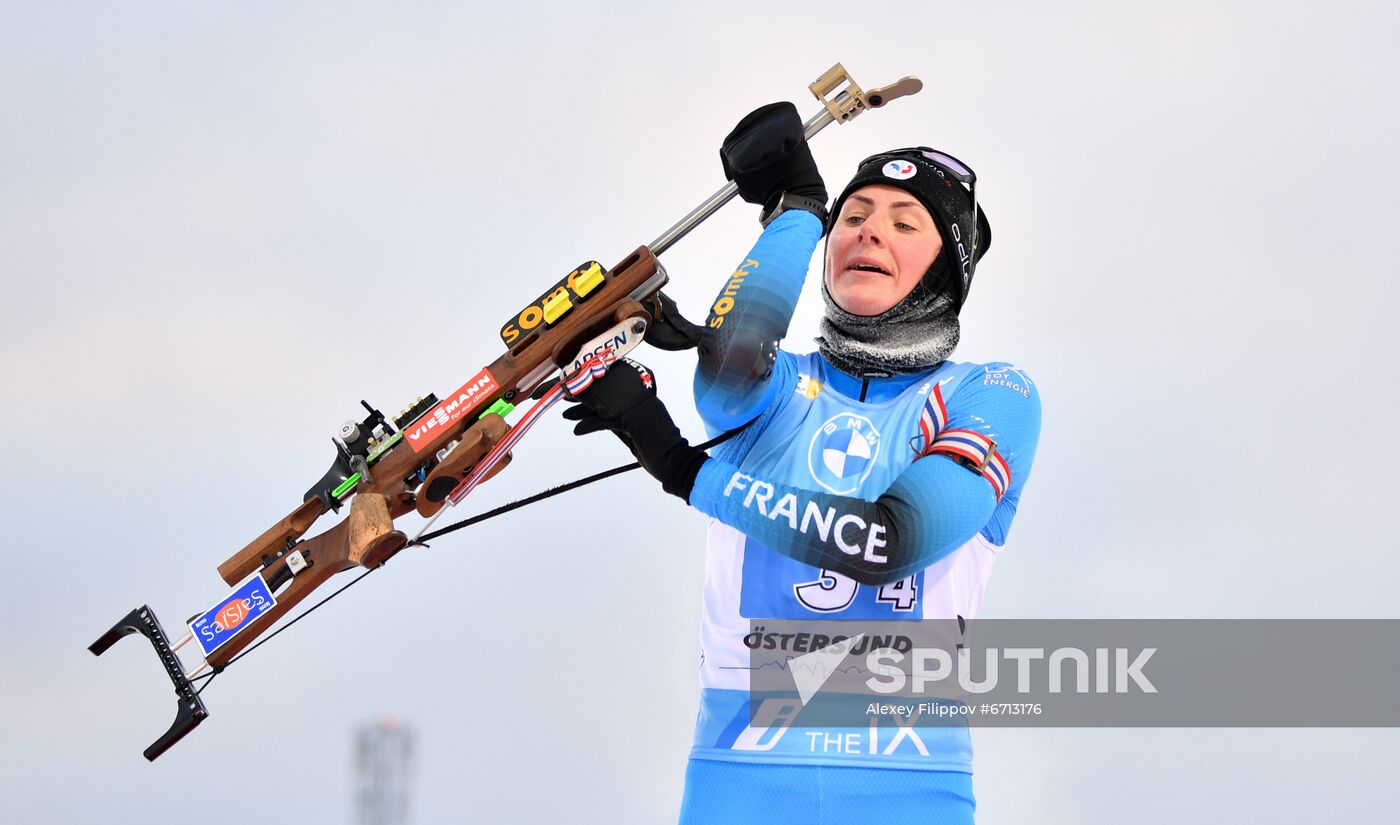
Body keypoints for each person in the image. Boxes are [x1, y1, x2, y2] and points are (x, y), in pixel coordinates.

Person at [564, 103, 1042, 824]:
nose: (869, 230)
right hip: (740, 774)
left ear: (947, 268)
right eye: (856, 216)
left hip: (906, 788)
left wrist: (685, 471)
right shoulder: (778, 388)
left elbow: (890, 542)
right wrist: (798, 210)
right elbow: (730, 365)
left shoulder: (989, 393)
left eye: (904, 223)